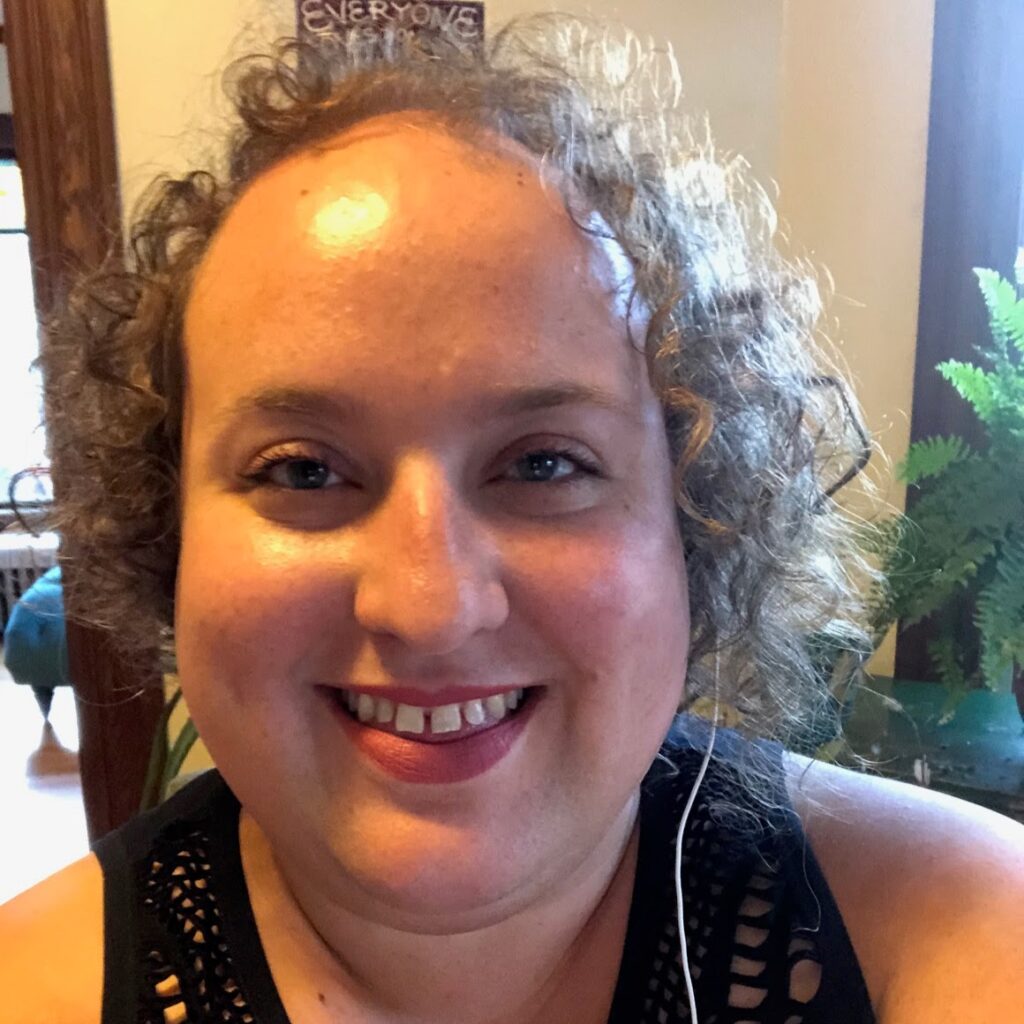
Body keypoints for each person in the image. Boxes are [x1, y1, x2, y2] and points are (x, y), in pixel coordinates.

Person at [2, 15, 1022, 1024]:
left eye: (545, 463)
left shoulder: (965, 938)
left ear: (697, 528)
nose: (430, 603)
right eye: (304, 469)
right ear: (167, 534)